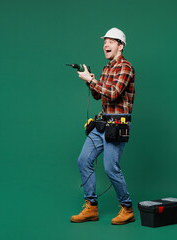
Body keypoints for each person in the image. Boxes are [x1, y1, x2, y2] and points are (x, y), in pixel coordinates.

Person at [70, 27, 135, 225]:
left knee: (110, 168)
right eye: (105, 41)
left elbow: (114, 93)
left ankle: (127, 208)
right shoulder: (107, 68)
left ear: (121, 46)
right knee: (83, 160)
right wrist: (90, 81)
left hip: (118, 123)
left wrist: (91, 80)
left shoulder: (125, 67)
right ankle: (91, 207)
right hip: (103, 121)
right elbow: (99, 95)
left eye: (111, 41)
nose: (105, 44)